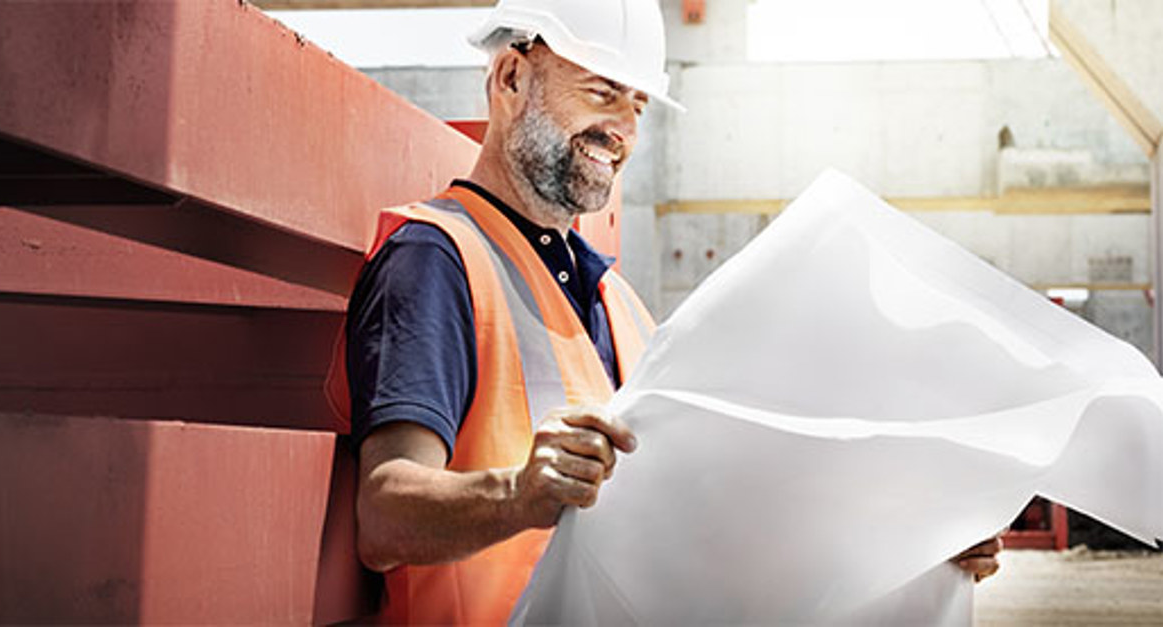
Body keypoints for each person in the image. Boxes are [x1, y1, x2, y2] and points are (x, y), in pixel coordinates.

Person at [334, 1, 1001, 623]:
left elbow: (707, 517)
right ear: (511, 77)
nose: (623, 129)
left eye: (638, 104)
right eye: (601, 91)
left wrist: (914, 541)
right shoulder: (435, 260)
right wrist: (519, 493)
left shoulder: (619, 306)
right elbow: (385, 515)